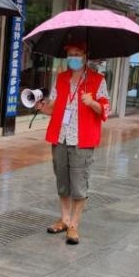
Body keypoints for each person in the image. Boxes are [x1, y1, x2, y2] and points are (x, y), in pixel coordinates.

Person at [37, 40, 109, 244]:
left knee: (79, 184)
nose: (73, 58)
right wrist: (42, 107)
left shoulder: (97, 80)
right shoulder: (61, 78)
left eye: (77, 54)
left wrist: (92, 103)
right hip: (60, 136)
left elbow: (106, 109)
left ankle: (74, 225)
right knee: (62, 181)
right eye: (70, 54)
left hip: (82, 139)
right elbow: (54, 107)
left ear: (86, 55)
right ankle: (64, 219)